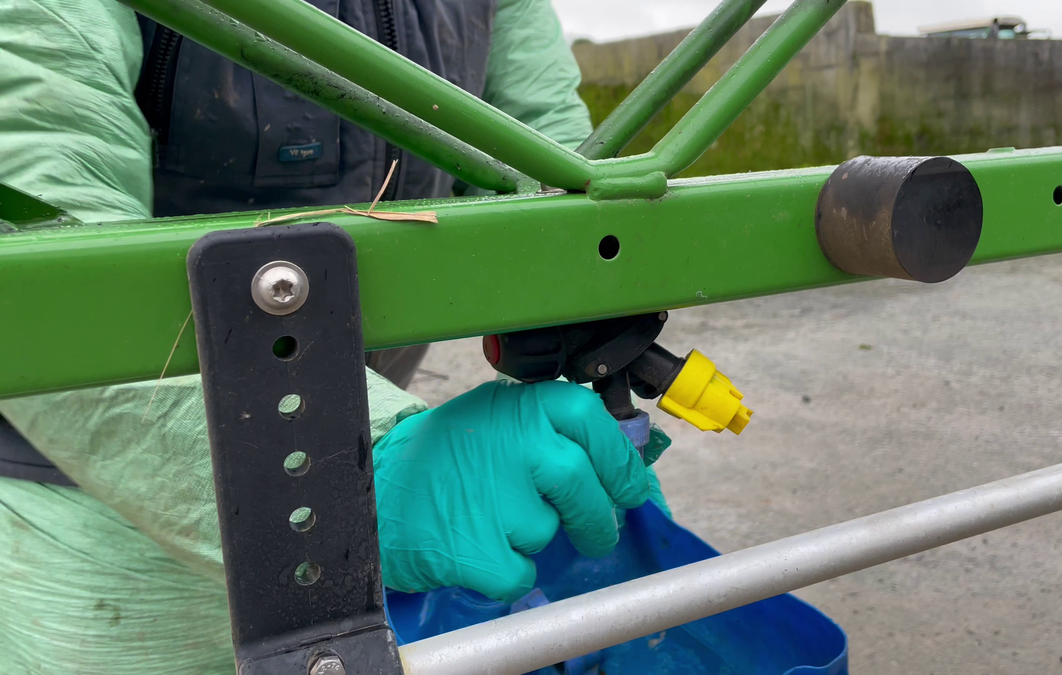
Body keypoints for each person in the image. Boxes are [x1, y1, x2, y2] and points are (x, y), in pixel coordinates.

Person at [0, 0, 664, 671]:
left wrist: (593, 323)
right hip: (93, 507)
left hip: (362, 486)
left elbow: (549, 159)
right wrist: (355, 463)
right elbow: (32, 263)